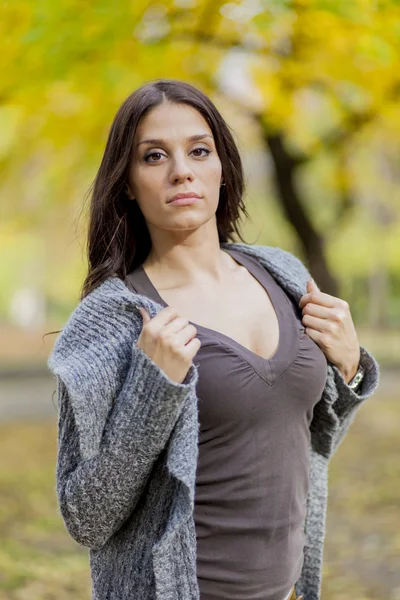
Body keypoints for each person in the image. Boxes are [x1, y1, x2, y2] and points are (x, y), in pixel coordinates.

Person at [48, 79, 380, 600]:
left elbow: (299, 443)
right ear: (128, 183)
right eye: (154, 156)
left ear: (223, 168)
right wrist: (152, 391)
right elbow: (86, 517)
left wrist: (352, 368)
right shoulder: (111, 319)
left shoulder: (284, 275)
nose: (181, 170)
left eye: (199, 151)